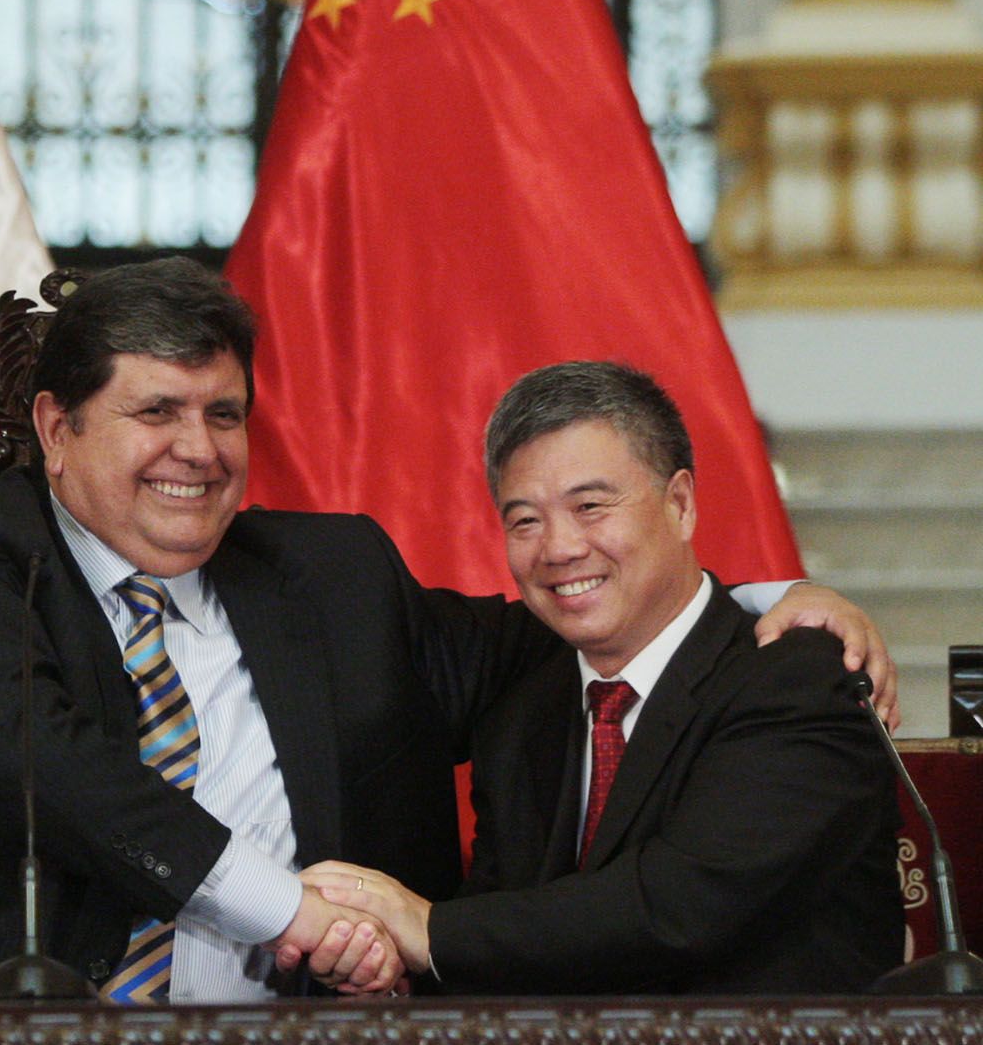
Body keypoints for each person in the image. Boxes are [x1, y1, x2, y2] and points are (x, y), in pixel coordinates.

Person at [0, 259, 894, 1002]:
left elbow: (577, 614)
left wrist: (769, 601)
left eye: (224, 413)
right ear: (57, 427)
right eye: (157, 412)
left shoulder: (328, 577)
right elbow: (30, 751)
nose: (198, 448)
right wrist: (288, 905)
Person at [291, 362, 902, 994]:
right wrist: (395, 977)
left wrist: (427, 929)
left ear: (680, 504)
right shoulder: (527, 702)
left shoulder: (800, 681)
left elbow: (680, 909)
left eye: (590, 506)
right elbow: (510, 944)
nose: (558, 548)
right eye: (524, 519)